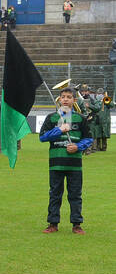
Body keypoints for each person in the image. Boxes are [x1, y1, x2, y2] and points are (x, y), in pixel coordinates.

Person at [40, 86, 92, 233]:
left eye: (69, 97)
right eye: (63, 97)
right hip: (56, 164)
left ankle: (76, 224)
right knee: (55, 194)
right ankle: (53, 224)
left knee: (75, 195)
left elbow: (89, 138)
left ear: (74, 100)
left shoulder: (81, 118)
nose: (65, 99)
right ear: (59, 99)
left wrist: (78, 146)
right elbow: (42, 137)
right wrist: (59, 130)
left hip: (74, 164)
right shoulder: (51, 118)